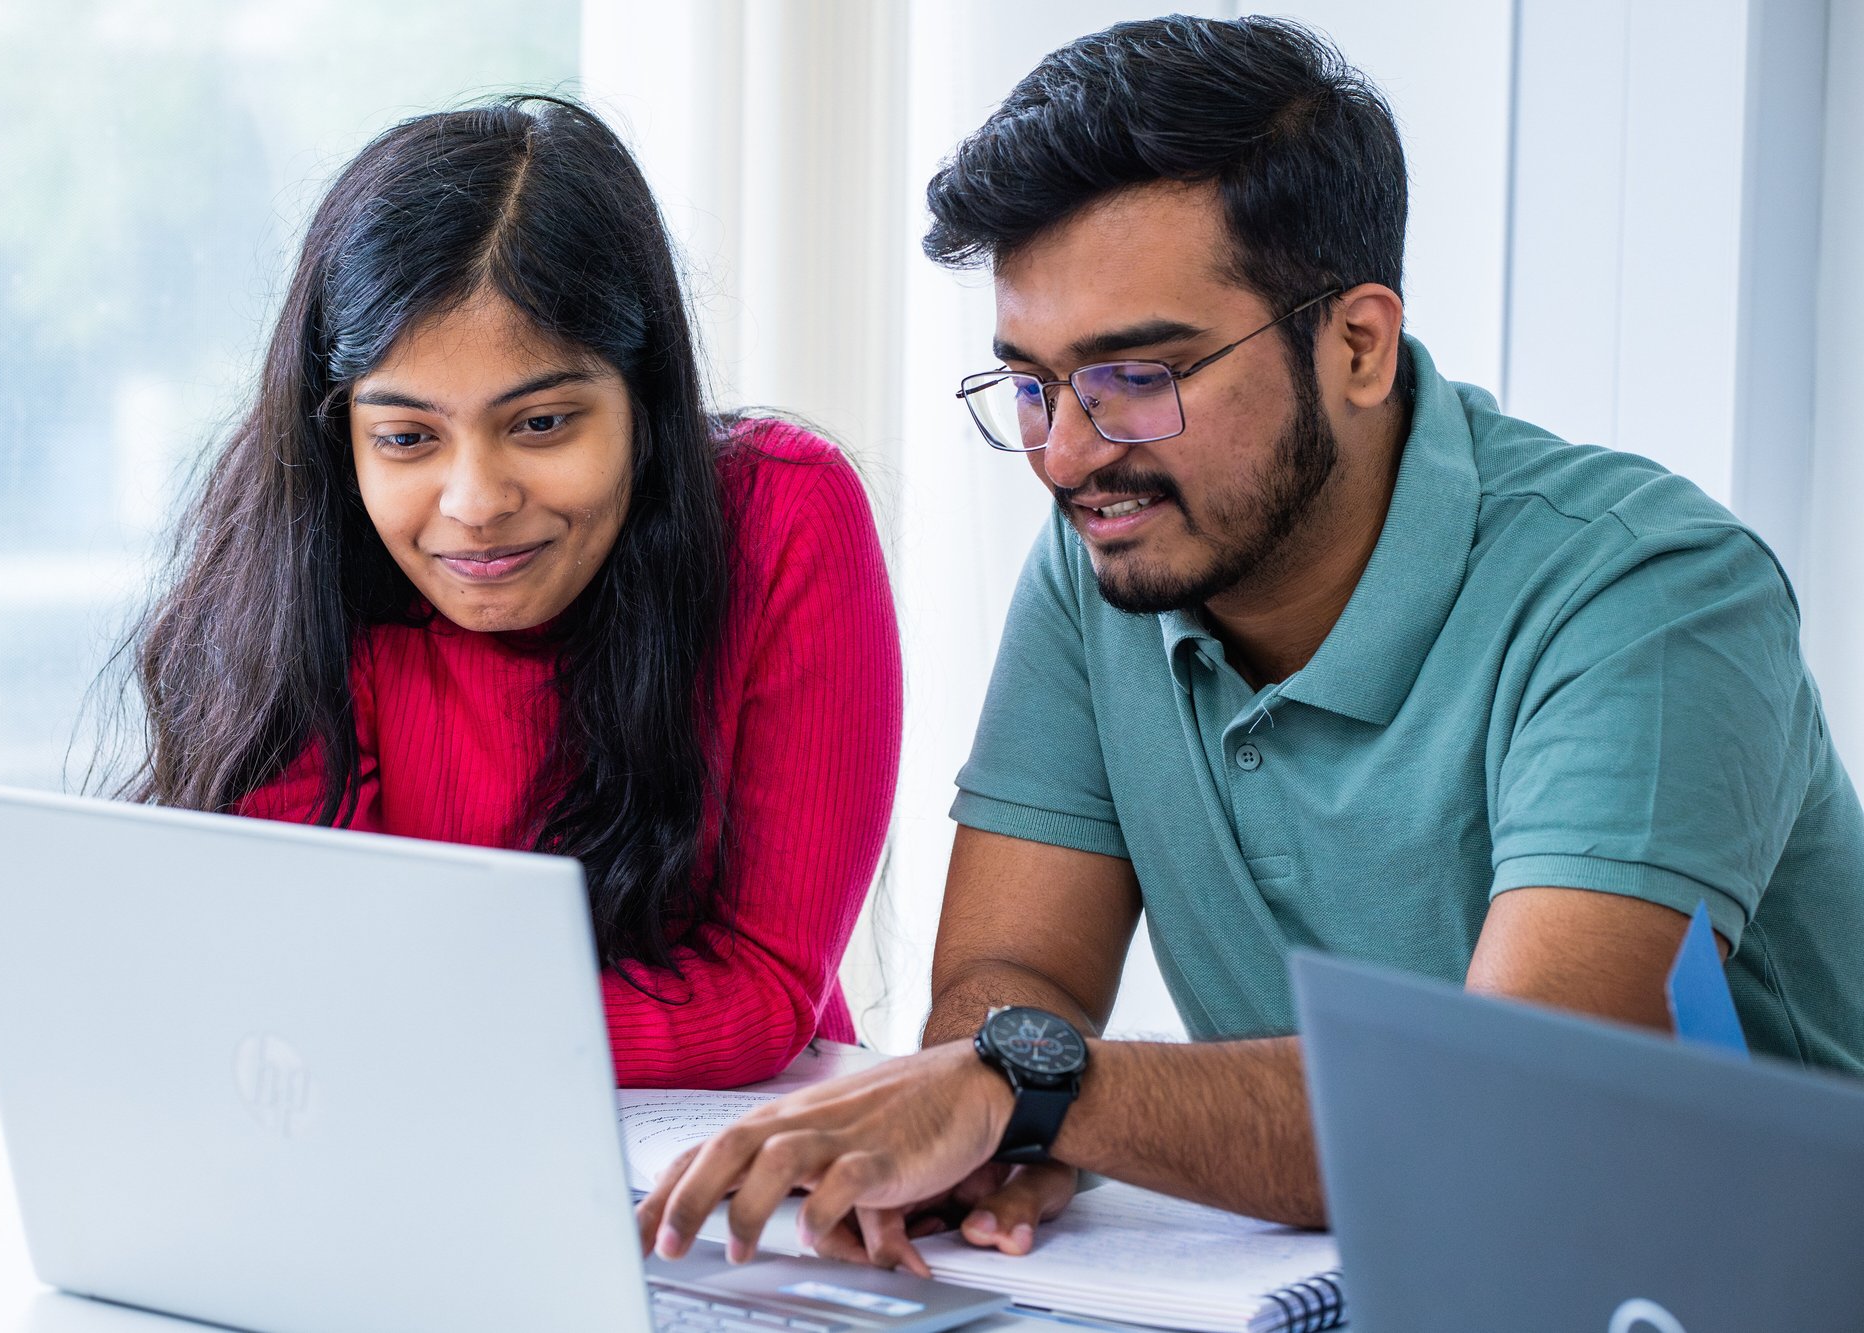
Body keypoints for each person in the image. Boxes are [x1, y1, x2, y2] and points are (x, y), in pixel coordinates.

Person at [639, 13, 1864, 1272]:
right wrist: (1001, 1115)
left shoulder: (1647, 594)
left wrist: (1038, 1092)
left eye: (1136, 375)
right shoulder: (1105, 556)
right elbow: (1014, 973)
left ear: (1356, 345)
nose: (1064, 452)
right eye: (1030, 382)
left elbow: (1517, 1123)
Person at [114, 97, 900, 1089]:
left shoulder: (784, 515)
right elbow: (291, 974)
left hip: (709, 1183)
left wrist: (396, 1026)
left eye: (540, 424)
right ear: (341, 432)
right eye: (405, 437)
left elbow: (757, 992)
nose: (474, 503)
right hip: (383, 1154)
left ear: (642, 403)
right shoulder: (300, 549)